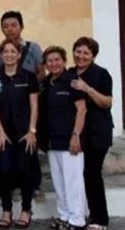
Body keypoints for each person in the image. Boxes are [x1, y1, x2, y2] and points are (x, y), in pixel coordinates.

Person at [0, 40, 40, 229]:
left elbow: (34, 105)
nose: (9, 54)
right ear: (1, 55)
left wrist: (32, 131)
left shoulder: (29, 76)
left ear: (19, 55)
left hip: (25, 133)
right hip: (3, 134)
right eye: (5, 51)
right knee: (4, 171)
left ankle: (26, 209)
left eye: (12, 51)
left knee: (26, 171)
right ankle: (6, 210)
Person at [67, 37, 113, 230]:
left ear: (93, 55)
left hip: (97, 132)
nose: (81, 56)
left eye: (86, 53)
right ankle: (79, 215)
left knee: (92, 174)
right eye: (78, 51)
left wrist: (87, 89)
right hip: (77, 132)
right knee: (79, 175)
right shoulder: (69, 73)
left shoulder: (101, 74)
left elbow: (107, 102)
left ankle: (99, 219)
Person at [41, 46, 87, 230]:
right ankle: (64, 216)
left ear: (64, 61)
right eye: (49, 61)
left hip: (70, 141)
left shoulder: (72, 81)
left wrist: (76, 135)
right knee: (59, 182)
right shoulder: (45, 83)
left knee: (73, 181)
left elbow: (81, 110)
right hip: (52, 141)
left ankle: (77, 220)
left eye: (57, 59)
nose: (53, 63)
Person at [0, 11, 44, 80]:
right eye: (5, 26)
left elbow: (42, 73)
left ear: (21, 27)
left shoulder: (34, 48)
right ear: (2, 29)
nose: (9, 29)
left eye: (13, 25)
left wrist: (30, 86)